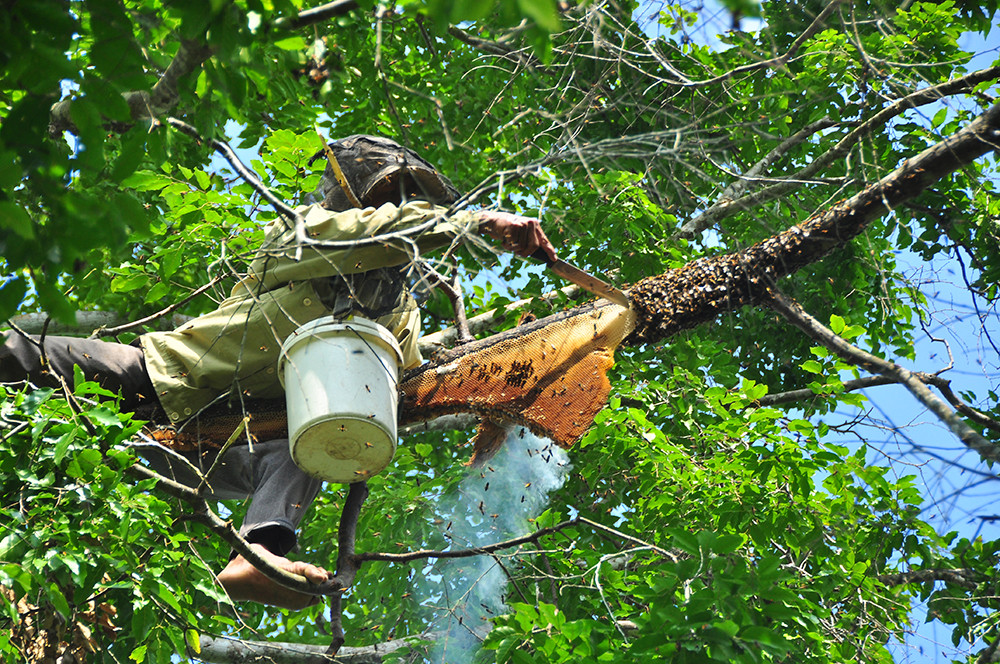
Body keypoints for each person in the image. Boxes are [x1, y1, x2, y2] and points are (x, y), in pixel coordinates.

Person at [0, 134, 557, 609]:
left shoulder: (401, 317)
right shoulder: (305, 234)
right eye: (390, 195)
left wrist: (496, 400)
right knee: (33, 352)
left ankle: (260, 553)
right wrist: (476, 222)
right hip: (165, 376)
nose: (401, 206)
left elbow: (405, 387)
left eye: (409, 198)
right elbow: (368, 237)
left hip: (221, 445)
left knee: (329, 432)